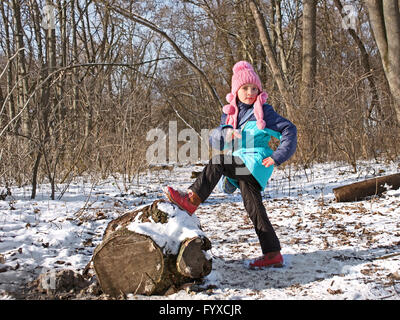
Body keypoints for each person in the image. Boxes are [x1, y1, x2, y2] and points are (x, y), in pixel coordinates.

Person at [164, 61, 297, 268]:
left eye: (254, 88)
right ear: (236, 90)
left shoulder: (264, 111)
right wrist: (225, 133)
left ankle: (192, 198)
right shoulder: (230, 114)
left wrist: (278, 156)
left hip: (255, 162)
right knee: (254, 208)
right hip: (243, 164)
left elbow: (289, 129)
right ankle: (272, 253)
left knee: (220, 161)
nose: (250, 92)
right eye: (245, 88)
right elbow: (214, 140)